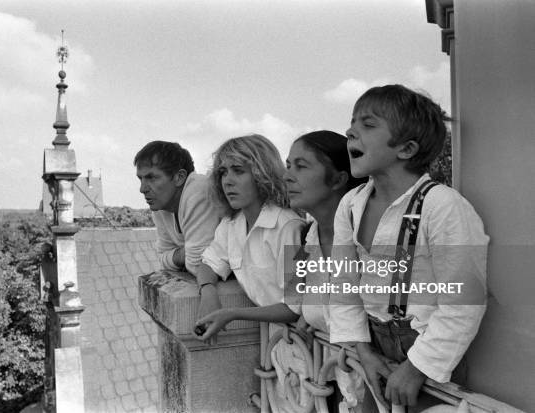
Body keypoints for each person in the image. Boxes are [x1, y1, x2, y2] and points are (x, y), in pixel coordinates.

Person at [330, 84, 488, 408]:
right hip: (372, 351)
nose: (350, 131)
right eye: (352, 122)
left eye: (368, 125)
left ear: (406, 149)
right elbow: (343, 286)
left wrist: (417, 368)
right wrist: (363, 351)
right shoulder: (350, 205)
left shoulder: (441, 206)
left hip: (430, 357)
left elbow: (464, 302)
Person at [192, 134, 305, 341]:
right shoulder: (231, 224)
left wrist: (232, 313)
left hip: (308, 342)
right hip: (276, 341)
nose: (227, 181)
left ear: (263, 174)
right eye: (223, 172)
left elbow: (294, 306)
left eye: (238, 171)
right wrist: (208, 293)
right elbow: (208, 263)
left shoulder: (288, 226)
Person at [283, 130, 367, 332]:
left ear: (338, 180)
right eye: (288, 166)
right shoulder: (305, 240)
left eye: (301, 167)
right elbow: (293, 303)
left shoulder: (368, 239)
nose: (287, 177)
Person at [134, 141, 221, 275]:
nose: (142, 189)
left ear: (179, 177)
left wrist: (179, 256)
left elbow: (199, 265)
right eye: (141, 179)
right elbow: (162, 259)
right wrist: (183, 254)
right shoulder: (161, 206)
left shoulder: (198, 190)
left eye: (151, 178)